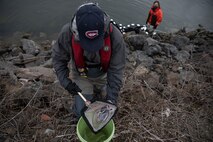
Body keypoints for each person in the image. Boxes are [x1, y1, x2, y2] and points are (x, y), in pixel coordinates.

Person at [52, 3, 126, 119]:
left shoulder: (115, 36)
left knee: (107, 106)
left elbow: (116, 70)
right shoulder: (67, 33)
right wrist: (66, 83)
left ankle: (100, 91)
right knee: (83, 113)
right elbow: (58, 59)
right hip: (81, 75)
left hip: (104, 75)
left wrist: (111, 99)